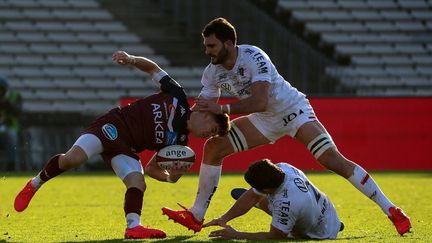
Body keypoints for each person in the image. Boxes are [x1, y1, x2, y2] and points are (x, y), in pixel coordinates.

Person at [161, 17, 411, 236]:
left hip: (293, 111)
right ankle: (196, 215)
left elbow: (259, 100)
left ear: (228, 43)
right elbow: (206, 108)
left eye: (211, 45)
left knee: (332, 160)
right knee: (214, 147)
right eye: (205, 46)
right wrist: (183, 123)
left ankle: (392, 210)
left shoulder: (254, 57)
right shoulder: (212, 72)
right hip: (264, 120)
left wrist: (224, 110)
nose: (207, 51)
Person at [14, 51, 230, 239]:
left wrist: (172, 176)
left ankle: (133, 227)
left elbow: (155, 169)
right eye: (212, 129)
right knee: (73, 159)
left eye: (213, 135)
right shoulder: (178, 96)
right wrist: (132, 59)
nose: (208, 135)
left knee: (138, 182)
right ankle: (35, 183)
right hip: (114, 125)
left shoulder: (181, 143)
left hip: (127, 149)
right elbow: (154, 69)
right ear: (205, 113)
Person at [204, 159, 343, 240]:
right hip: (329, 210)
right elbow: (253, 194)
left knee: (272, 206)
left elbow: (276, 235)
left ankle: (261, 203)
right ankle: (335, 224)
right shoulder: (283, 167)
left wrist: (237, 234)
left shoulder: (286, 203)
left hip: (322, 233)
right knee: (256, 197)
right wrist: (224, 218)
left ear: (266, 190)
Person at [0, 76, 22, 171]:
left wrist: (6, 103)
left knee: (11, 139)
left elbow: (18, 112)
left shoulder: (14, 95)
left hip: (10, 126)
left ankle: (11, 167)